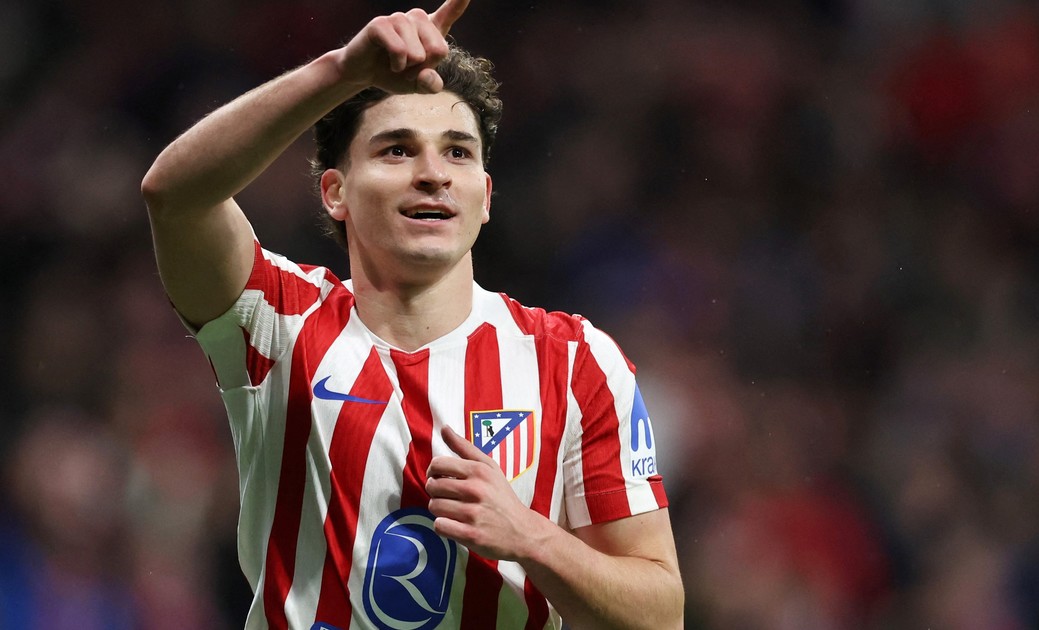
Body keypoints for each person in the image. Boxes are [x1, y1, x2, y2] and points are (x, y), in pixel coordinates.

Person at [140, 0, 684, 628]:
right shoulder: (280, 321)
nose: (433, 175)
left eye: (458, 153)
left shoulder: (573, 361)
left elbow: (660, 616)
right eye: (397, 150)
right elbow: (173, 196)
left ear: (485, 196)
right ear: (335, 192)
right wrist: (341, 71)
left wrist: (533, 537)